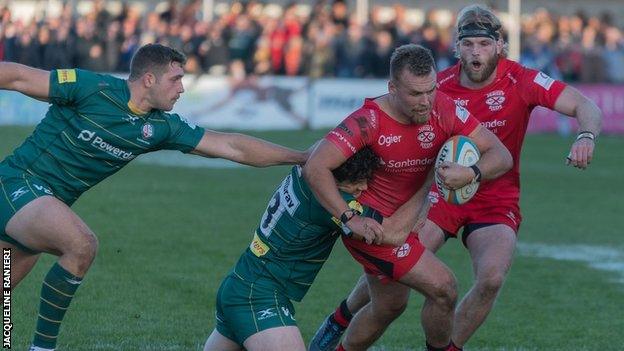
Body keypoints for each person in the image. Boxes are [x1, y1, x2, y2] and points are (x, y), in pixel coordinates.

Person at [309, 5, 602, 351]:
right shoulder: (438, 88)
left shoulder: (521, 80)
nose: (476, 52)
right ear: (457, 46)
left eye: (483, 44)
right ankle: (343, 315)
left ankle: (449, 347)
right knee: (393, 275)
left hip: (495, 199)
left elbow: (586, 105)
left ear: (499, 46)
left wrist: (586, 136)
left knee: (491, 278)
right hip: (439, 197)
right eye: (469, 44)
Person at [0, 43, 309, 351]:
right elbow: (17, 77)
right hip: (16, 184)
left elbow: (231, 146)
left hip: (35, 213)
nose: (182, 88)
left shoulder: (161, 127)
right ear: (149, 79)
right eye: (175, 79)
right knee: (81, 245)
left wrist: (301, 157)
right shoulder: (93, 87)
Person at [303, 43, 512, 351]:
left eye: (430, 90)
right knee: (444, 288)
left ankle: (338, 337)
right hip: (376, 227)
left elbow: (501, 154)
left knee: (389, 307)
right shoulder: (368, 121)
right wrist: (349, 218)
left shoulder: (443, 107)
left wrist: (473, 173)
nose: (426, 101)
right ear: (392, 88)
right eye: (415, 94)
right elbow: (315, 166)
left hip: (408, 218)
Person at [203, 147, 381, 351]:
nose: (364, 187)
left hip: (242, 282)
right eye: (355, 182)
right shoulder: (331, 204)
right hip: (259, 296)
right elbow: (385, 233)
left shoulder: (309, 165)